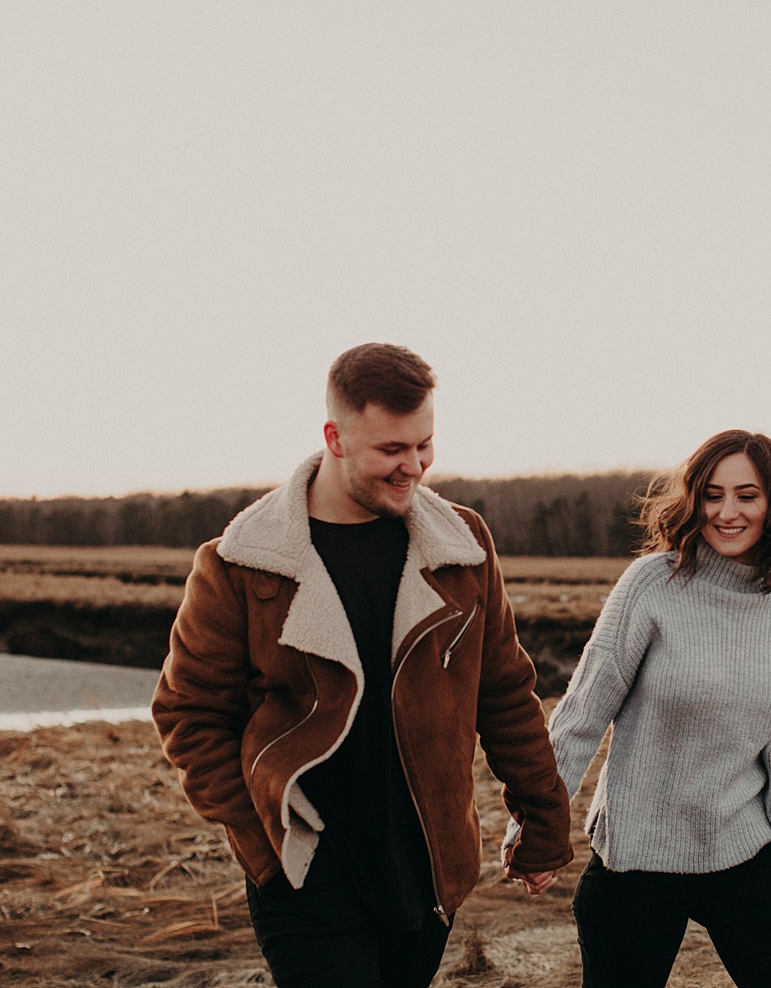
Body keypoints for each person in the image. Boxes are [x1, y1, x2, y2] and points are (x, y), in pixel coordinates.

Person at [152, 342, 573, 988]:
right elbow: (187, 713)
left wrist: (544, 822)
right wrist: (266, 840)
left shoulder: (462, 548)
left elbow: (505, 693)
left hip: (427, 872)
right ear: (335, 437)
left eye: (424, 445)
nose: (414, 467)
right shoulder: (241, 563)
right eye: (392, 451)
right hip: (305, 876)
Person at [514, 429, 771, 988]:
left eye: (746, 495)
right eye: (712, 495)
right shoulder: (652, 584)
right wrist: (537, 827)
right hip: (638, 853)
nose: (728, 512)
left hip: (746, 847)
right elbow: (581, 716)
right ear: (693, 499)